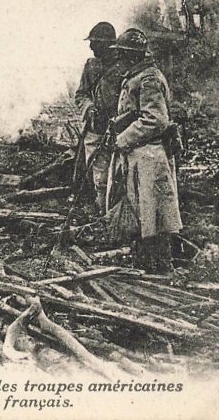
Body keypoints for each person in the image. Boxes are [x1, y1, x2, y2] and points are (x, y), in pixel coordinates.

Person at [107, 28, 182, 275]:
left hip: (149, 155)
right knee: (143, 214)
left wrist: (122, 139)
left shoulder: (148, 79)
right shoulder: (138, 76)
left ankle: (160, 268)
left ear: (133, 55)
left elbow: (155, 120)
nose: (120, 60)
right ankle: (147, 266)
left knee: (153, 215)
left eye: (124, 54)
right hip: (139, 155)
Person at [74, 22, 125, 214]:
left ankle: (114, 212)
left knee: (119, 173)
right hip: (95, 130)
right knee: (97, 174)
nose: (91, 47)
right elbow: (81, 94)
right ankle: (102, 211)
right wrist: (89, 107)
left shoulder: (123, 66)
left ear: (108, 45)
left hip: (119, 130)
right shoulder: (91, 65)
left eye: (95, 43)